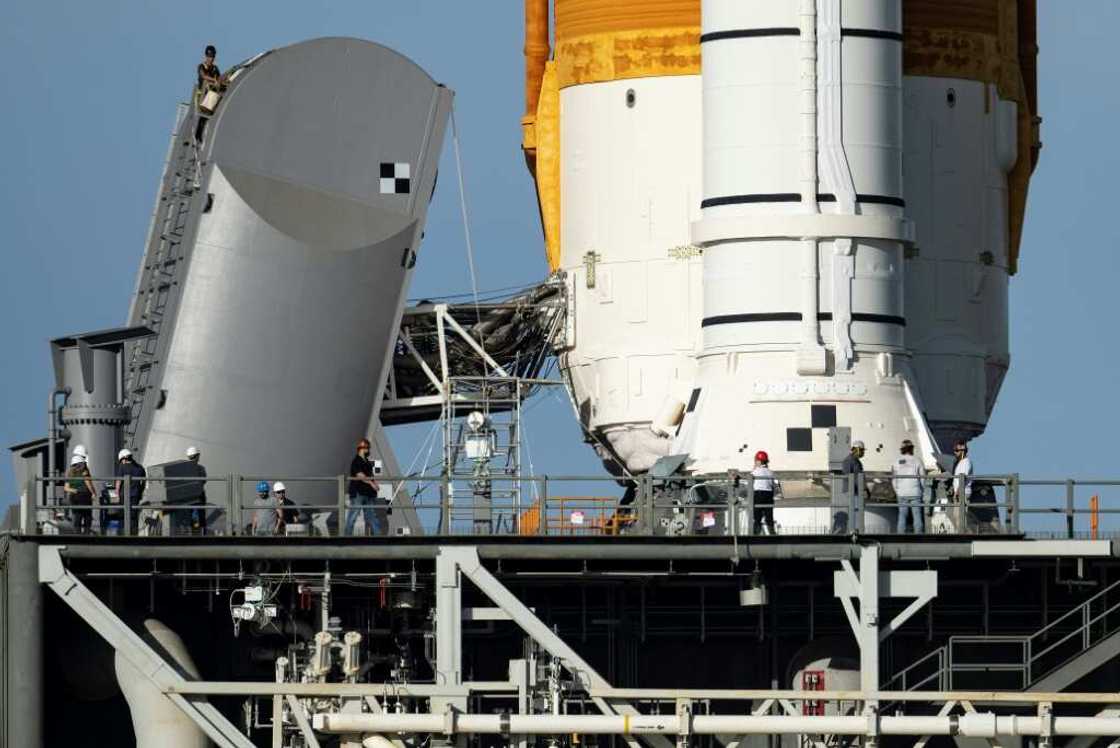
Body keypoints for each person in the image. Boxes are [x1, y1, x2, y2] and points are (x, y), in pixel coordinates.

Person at [345, 438, 383, 536]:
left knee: (371, 516)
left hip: (367, 493)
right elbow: (360, 475)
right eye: (368, 448)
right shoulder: (356, 461)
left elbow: (369, 475)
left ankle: (378, 536)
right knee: (353, 516)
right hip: (358, 492)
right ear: (363, 448)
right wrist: (372, 483)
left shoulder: (366, 461)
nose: (369, 450)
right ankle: (347, 537)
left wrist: (375, 483)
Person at [892, 439, 926, 534]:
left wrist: (897, 491)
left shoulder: (896, 462)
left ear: (902, 449)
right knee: (917, 516)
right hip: (915, 492)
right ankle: (919, 536)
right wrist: (922, 491)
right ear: (911, 449)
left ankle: (900, 536)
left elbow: (894, 480)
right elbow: (923, 478)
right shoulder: (917, 461)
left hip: (902, 493)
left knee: (902, 516)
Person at [834, 440, 867, 533]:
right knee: (855, 510)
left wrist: (865, 488)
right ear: (856, 449)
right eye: (862, 450)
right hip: (852, 490)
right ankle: (854, 530)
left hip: (857, 490)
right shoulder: (848, 460)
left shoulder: (856, 461)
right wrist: (860, 488)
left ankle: (856, 529)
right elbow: (849, 476)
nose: (863, 452)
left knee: (857, 509)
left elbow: (859, 476)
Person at [194, 45, 224, 141]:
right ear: (206, 56)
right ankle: (198, 135)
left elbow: (219, 79)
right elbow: (203, 76)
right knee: (203, 114)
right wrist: (214, 80)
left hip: (210, 96)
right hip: (202, 95)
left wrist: (221, 81)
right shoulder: (201, 66)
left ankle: (200, 134)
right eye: (209, 56)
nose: (210, 59)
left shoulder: (215, 69)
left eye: (212, 57)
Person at [114, 448, 147, 533]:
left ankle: (121, 534)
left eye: (121, 460)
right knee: (133, 516)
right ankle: (133, 534)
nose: (121, 462)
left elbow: (118, 481)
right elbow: (143, 481)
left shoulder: (122, 467)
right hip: (135, 495)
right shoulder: (140, 468)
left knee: (122, 515)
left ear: (124, 458)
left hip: (123, 495)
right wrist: (141, 491)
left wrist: (116, 494)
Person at [64, 453, 96, 534]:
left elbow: (66, 488)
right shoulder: (84, 471)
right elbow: (88, 483)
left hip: (74, 497)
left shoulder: (70, 473)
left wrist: (74, 490)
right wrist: (94, 493)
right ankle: (86, 534)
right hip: (85, 496)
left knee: (77, 517)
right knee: (87, 517)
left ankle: (77, 535)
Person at [181, 446, 209, 535]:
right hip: (199, 494)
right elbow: (204, 481)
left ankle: (191, 534)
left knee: (190, 515)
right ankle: (200, 534)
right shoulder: (201, 468)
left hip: (188, 495)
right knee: (200, 515)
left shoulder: (183, 468)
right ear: (196, 456)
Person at [751, 451, 778, 535]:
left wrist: (754, 468)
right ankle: (772, 534)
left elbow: (750, 480)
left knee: (757, 517)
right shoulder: (770, 472)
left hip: (758, 494)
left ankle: (755, 535)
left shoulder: (755, 471)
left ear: (759, 461)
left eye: (756, 460)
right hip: (768, 495)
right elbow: (773, 485)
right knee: (769, 517)